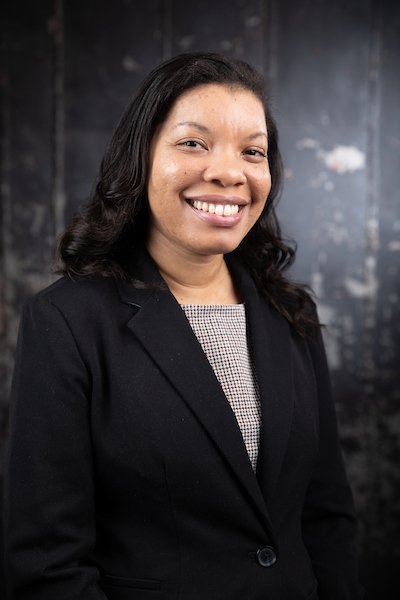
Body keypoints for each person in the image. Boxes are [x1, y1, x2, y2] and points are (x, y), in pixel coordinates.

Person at [4, 52, 363, 599]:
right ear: (140, 158)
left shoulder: (291, 313)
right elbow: (46, 561)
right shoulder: (67, 321)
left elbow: (327, 516)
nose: (228, 171)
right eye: (193, 143)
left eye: (253, 151)